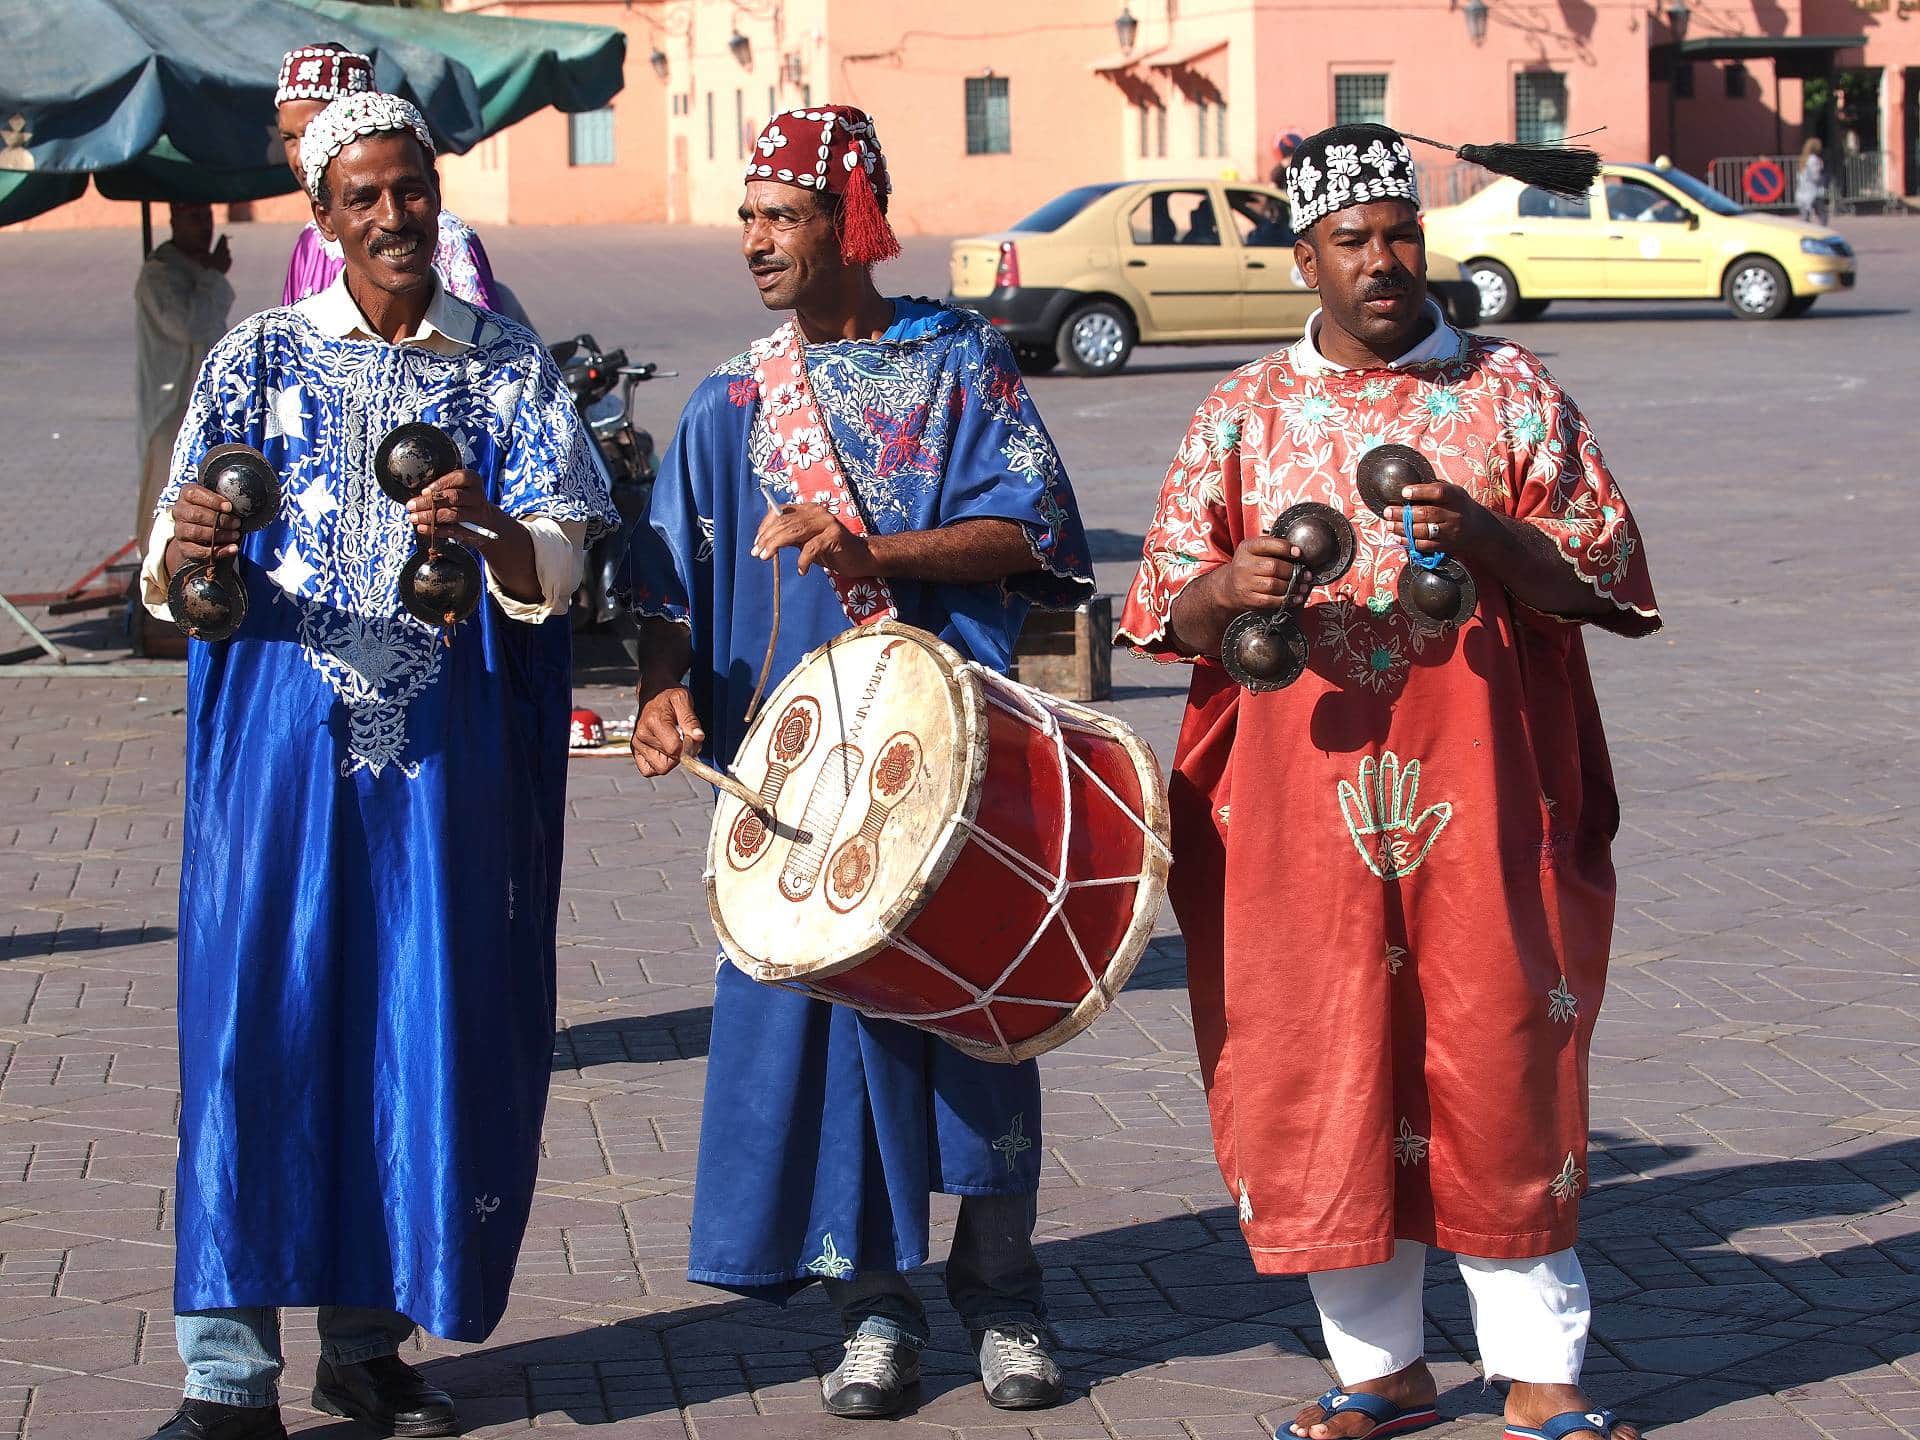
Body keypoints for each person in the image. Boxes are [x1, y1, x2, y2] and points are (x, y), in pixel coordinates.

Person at [1117, 122, 1660, 1440]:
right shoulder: (1242, 412)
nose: (1383, 261)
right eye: (1353, 242)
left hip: (1481, 794)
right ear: (1304, 255)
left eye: (1401, 235)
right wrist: (1223, 591)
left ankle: (1540, 1367)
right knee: (1323, 1059)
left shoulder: (1511, 392)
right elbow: (1160, 608)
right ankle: (1382, 1371)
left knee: (1500, 1047)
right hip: (1303, 817)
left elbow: (1612, 586)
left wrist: (1487, 536)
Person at [136, 90, 615, 1440]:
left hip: (436, 771)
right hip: (275, 767)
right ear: (324, 216)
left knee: (411, 1027)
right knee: (252, 1032)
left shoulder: (503, 369)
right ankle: (226, 1374)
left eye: (413, 190)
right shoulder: (255, 361)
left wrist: (494, 530)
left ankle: (364, 1345)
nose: (397, 217)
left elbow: (567, 562)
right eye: (366, 199)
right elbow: (174, 588)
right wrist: (191, 550)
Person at [623, 105, 1094, 1421]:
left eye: (782, 216)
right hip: (804, 786)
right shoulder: (728, 401)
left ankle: (1003, 1291)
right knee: (833, 1039)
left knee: (979, 1017)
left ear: (853, 219)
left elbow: (1032, 530)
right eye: (747, 218)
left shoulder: (960, 365)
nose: (756, 242)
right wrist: (663, 692)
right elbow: (663, 582)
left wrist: (872, 554)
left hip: (949, 766)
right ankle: (871, 1307)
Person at [274, 44, 504, 312]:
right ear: (324, 218)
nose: (301, 157)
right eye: (289, 138)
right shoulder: (311, 243)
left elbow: (483, 342)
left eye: (316, 133)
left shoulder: (448, 242)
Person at [134, 203, 234, 553]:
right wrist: (214, 276)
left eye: (207, 217)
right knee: (165, 506)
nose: (204, 226)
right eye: (194, 217)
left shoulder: (198, 268)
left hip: (200, 403)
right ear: (174, 219)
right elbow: (189, 325)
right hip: (170, 409)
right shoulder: (160, 273)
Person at [1796, 136, 1829, 225]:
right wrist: (1822, 173)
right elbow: (1815, 176)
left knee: (1805, 218)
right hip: (1813, 192)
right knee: (1823, 216)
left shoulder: (1803, 159)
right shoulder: (1814, 159)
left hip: (1802, 192)